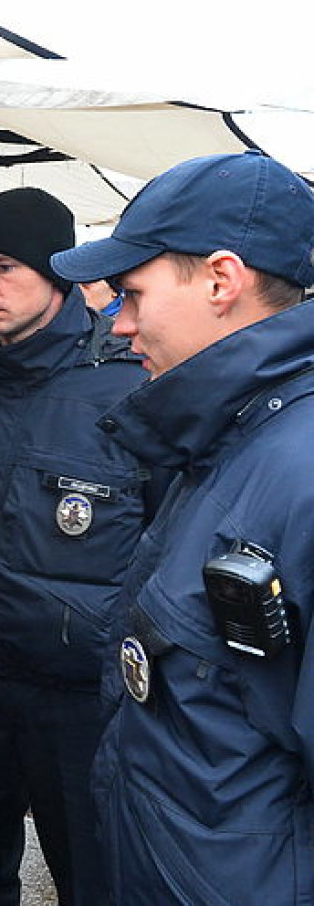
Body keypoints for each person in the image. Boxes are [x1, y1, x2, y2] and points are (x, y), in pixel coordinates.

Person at [49, 150, 314, 906]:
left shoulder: (297, 469)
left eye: (132, 293)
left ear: (222, 281)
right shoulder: (226, 439)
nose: (119, 322)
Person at [0, 187, 158, 906]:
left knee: (91, 867)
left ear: (57, 274)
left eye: (3, 266)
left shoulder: (130, 388)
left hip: (78, 694)